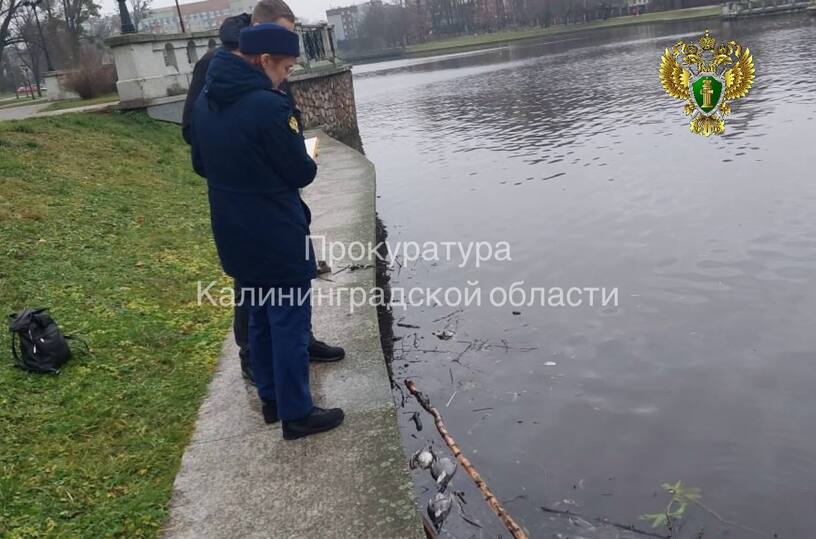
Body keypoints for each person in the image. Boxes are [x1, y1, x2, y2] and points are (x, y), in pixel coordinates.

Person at [190, 23, 345, 440]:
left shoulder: (206, 100)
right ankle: (297, 413)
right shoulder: (268, 106)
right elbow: (301, 171)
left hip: (232, 228)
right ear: (264, 61)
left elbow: (200, 163)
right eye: (286, 69)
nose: (286, 77)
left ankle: (272, 401)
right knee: (289, 321)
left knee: (258, 315)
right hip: (275, 229)